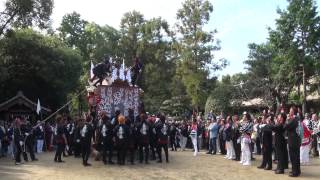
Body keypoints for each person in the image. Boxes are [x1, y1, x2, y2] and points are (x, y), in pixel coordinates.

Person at [285, 106, 301, 177]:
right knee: (296, 156)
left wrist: (287, 120)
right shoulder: (297, 118)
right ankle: (297, 170)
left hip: (293, 140)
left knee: (293, 156)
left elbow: (286, 126)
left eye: (290, 110)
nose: (289, 112)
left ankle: (295, 172)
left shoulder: (294, 119)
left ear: (293, 111)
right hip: (296, 140)